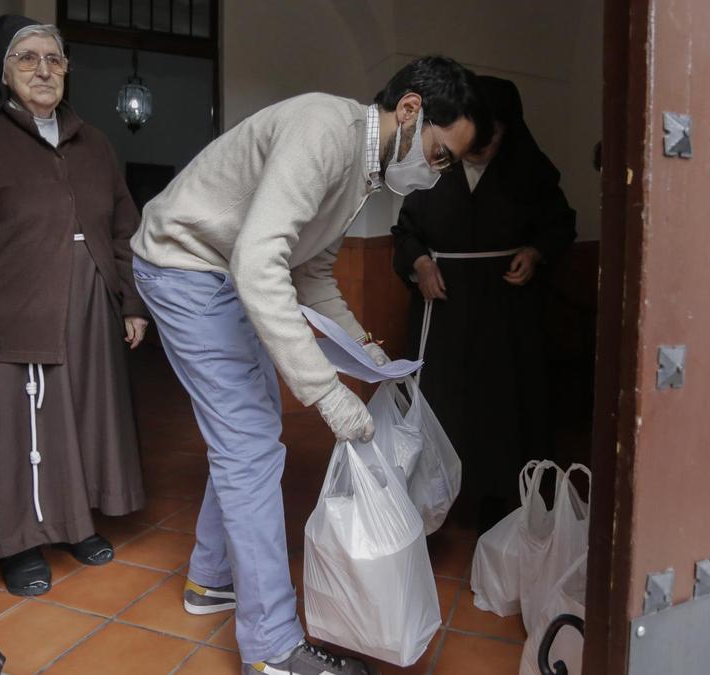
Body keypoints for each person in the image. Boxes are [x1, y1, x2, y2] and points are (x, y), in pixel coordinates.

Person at [131, 57, 489, 674]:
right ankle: (272, 652)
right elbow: (258, 263)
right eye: (439, 154)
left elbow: (311, 274)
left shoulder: (362, 167)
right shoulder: (326, 131)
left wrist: (368, 356)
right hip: (186, 266)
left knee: (251, 431)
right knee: (248, 445)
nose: (437, 173)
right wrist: (326, 393)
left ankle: (213, 578)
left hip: (223, 270)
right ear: (410, 110)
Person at [0, 16, 147, 596]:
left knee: (79, 420)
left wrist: (131, 302)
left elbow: (126, 229)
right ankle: (19, 544)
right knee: (14, 429)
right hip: (13, 313)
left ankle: (75, 525)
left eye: (54, 59)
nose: (43, 70)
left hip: (89, 308)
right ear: (3, 72)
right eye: (27, 58)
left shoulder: (95, 142)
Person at [391, 76, 577, 533]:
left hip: (506, 314)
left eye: (492, 136)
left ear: (509, 130)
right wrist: (419, 262)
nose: (481, 146)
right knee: (443, 405)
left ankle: (501, 497)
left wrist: (535, 253)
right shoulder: (436, 167)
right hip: (445, 310)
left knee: (503, 407)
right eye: (475, 135)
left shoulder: (530, 170)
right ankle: (435, 501)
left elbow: (559, 224)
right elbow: (406, 231)